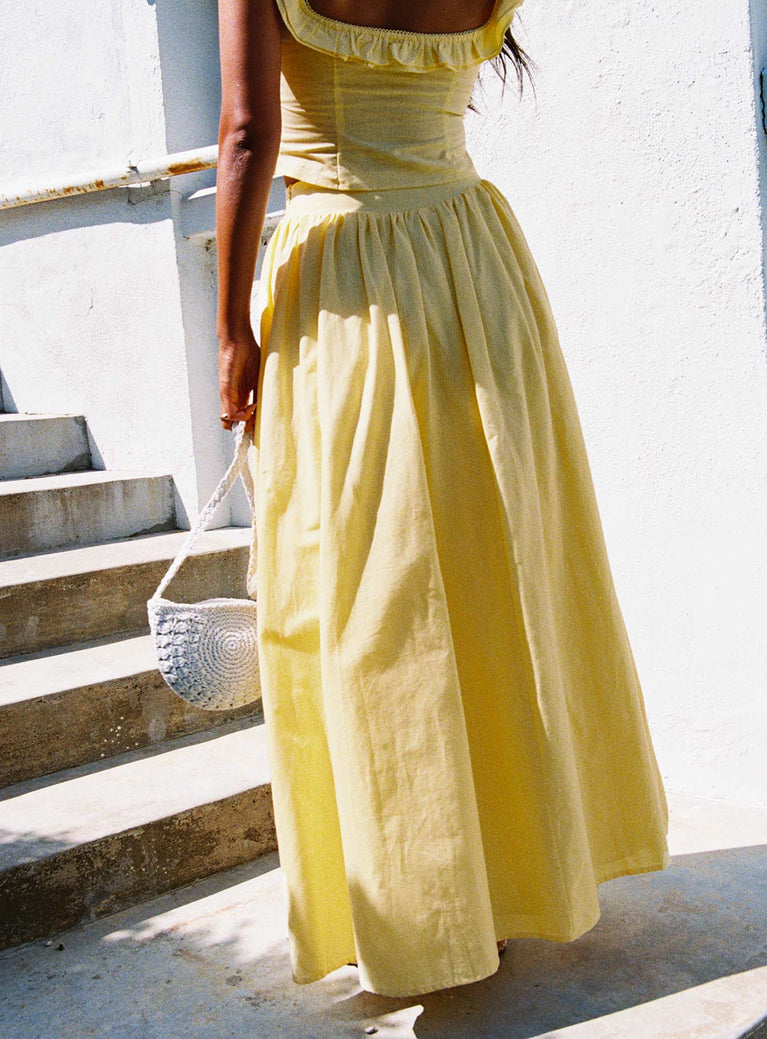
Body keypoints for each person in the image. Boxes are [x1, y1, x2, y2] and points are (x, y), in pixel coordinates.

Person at [214, 0, 670, 1000]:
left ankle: (424, 905)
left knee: (371, 596)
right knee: (492, 569)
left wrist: (231, 330)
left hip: (349, 277)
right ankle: (507, 882)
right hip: (473, 259)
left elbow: (247, 134)